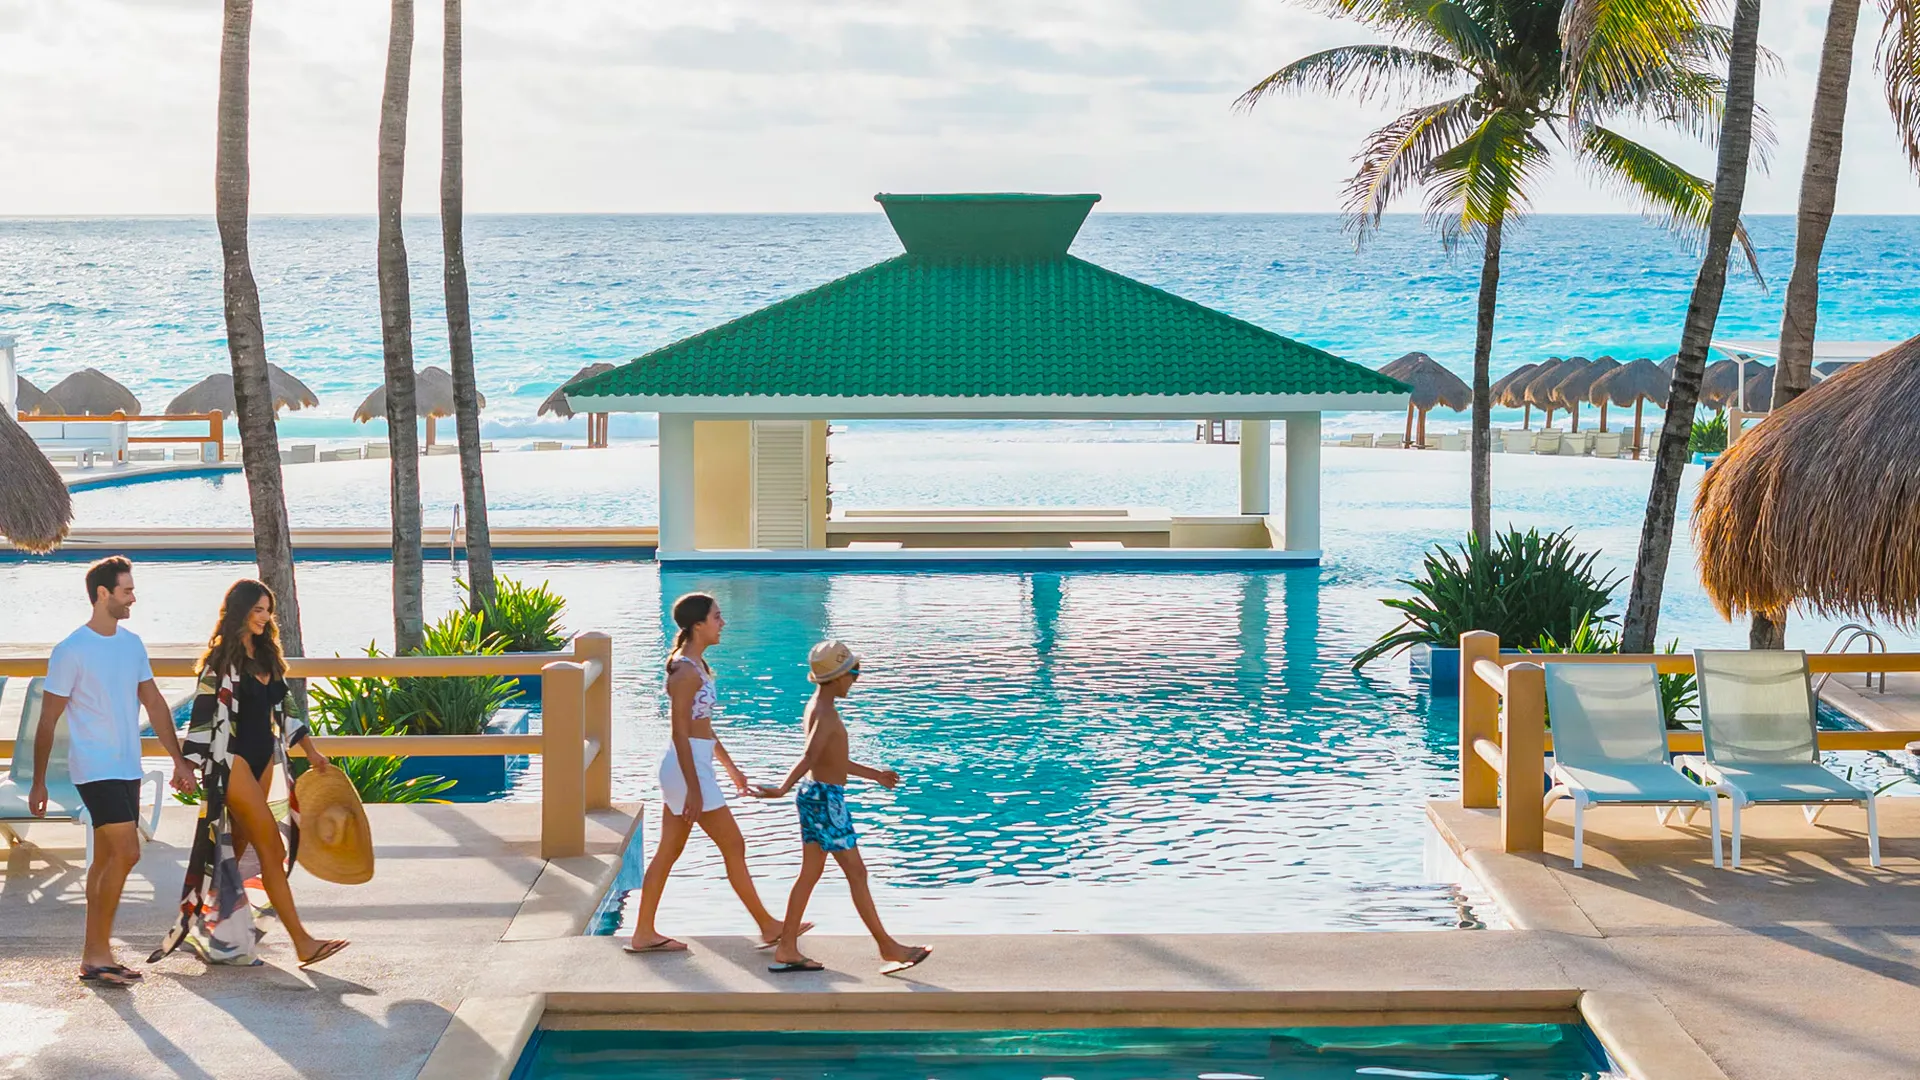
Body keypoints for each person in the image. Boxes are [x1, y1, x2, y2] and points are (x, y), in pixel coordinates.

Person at [149, 578, 349, 970]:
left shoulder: (266, 656)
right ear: (240, 611)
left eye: (268, 610)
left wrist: (311, 751)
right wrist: (185, 764)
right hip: (231, 761)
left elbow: (287, 707)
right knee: (272, 852)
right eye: (258, 609)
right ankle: (303, 943)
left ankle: (212, 930)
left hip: (263, 761)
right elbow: (203, 717)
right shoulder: (220, 662)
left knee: (234, 850)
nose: (265, 617)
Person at [28, 556, 196, 988]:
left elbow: (156, 704)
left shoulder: (132, 644)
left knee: (106, 858)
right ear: (103, 594)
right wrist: (39, 781)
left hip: (127, 764)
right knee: (127, 853)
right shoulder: (71, 650)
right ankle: (98, 953)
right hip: (94, 766)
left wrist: (177, 760)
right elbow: (48, 722)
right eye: (126, 591)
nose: (133, 598)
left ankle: (94, 956)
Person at [626, 592, 801, 954]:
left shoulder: (697, 666)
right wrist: (694, 787)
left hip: (694, 765)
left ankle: (643, 933)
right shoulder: (684, 671)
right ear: (697, 625)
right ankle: (769, 926)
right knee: (733, 844)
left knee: (669, 851)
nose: (723, 623)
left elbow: (703, 726)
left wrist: (732, 769)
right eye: (717, 617)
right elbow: (679, 731)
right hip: (686, 768)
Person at [752, 640, 930, 975]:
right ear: (836, 678)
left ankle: (788, 947)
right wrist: (780, 789)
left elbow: (832, 759)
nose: (856, 679)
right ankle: (887, 947)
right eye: (854, 672)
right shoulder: (826, 713)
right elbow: (809, 755)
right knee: (856, 873)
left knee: (811, 874)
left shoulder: (816, 705)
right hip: (826, 799)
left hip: (815, 794)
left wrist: (874, 774)